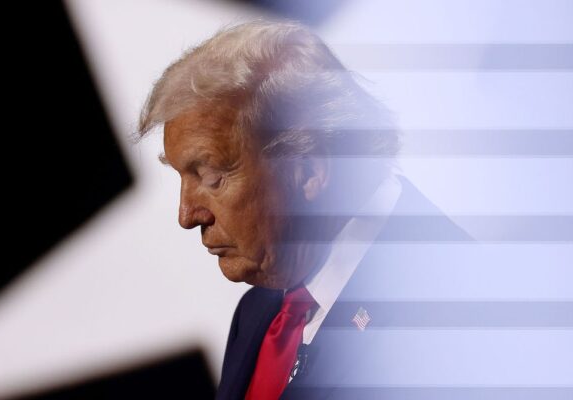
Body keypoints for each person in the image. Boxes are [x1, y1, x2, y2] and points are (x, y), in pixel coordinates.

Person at [136, 20, 470, 400]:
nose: (186, 216)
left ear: (309, 171)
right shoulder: (257, 312)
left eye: (212, 178)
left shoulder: (459, 309)